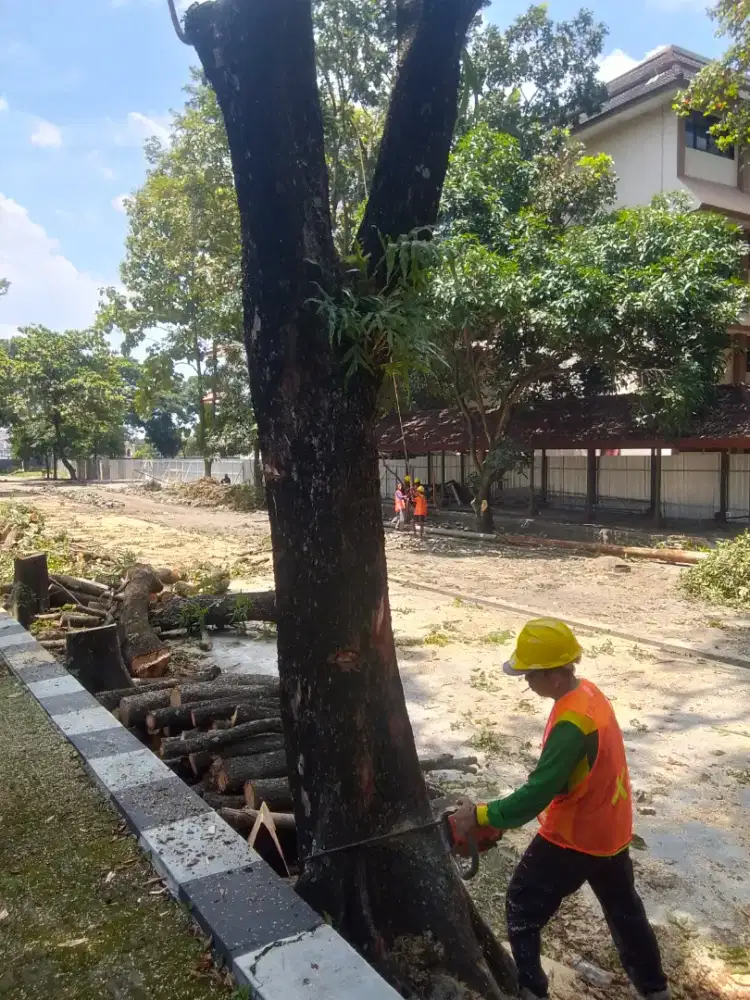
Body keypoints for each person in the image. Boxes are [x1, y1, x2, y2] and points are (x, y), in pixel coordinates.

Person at [453, 618, 670, 1000]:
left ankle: (531, 989)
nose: (526, 682)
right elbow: (571, 776)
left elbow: (538, 792)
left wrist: (483, 815)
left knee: (521, 904)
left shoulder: (571, 725)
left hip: (575, 837)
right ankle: (655, 990)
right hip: (612, 830)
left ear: (554, 676)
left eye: (530, 675)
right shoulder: (588, 694)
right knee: (626, 914)